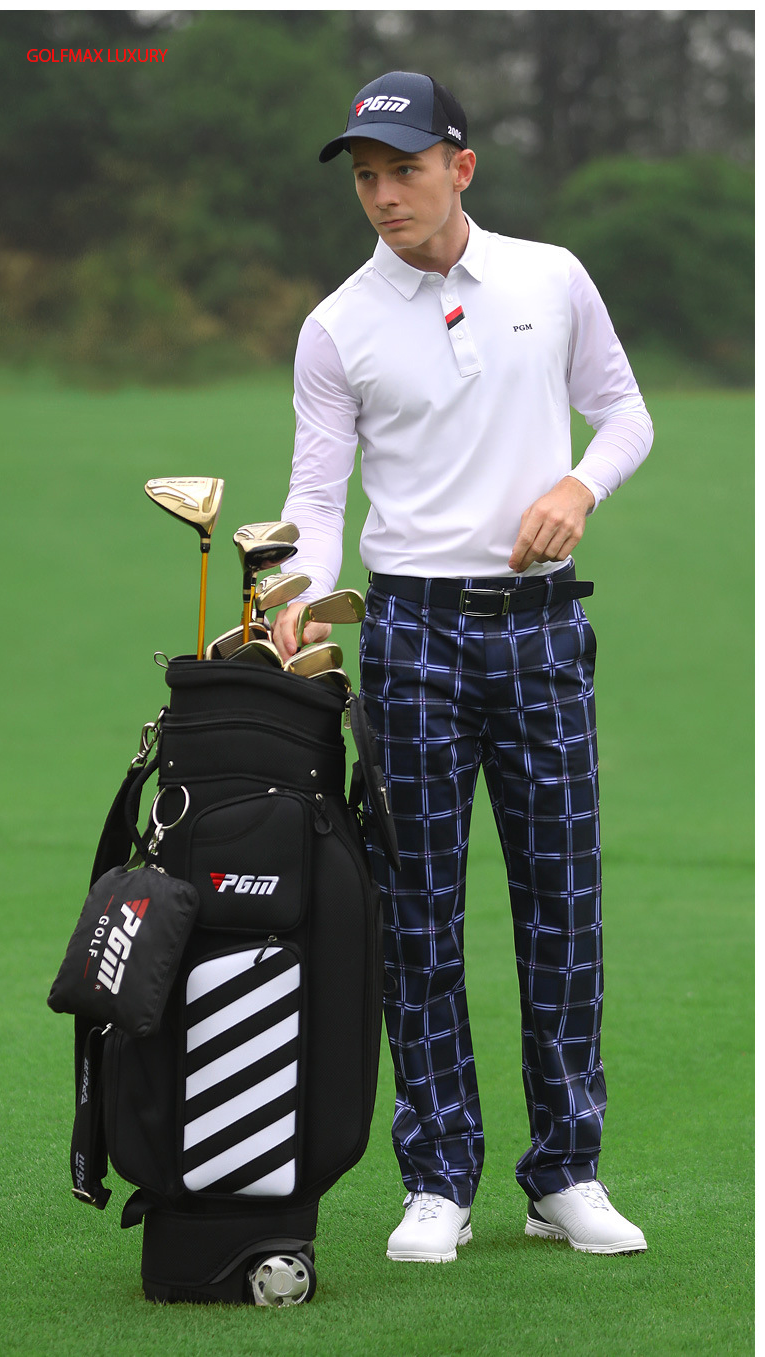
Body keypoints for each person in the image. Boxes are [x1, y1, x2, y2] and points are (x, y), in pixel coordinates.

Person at [272, 70, 653, 1262]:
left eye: (405, 169)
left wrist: (577, 485)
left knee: (564, 908)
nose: (384, 194)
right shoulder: (337, 326)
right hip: (410, 639)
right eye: (366, 177)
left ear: (460, 166)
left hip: (541, 630)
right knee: (418, 917)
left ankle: (564, 1173)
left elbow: (626, 414)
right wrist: (294, 598)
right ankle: (437, 1178)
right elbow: (318, 495)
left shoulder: (550, 277)